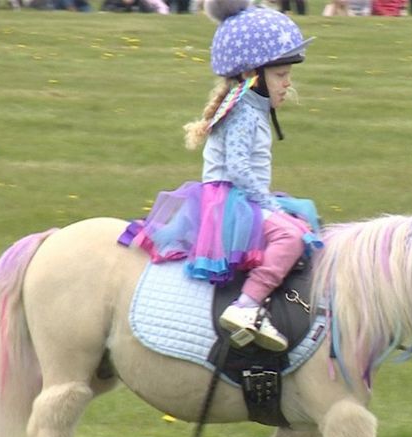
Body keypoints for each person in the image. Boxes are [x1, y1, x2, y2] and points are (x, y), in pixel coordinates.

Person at [120, 0, 321, 352]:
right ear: (253, 75)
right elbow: (240, 169)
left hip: (239, 195)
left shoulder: (248, 104)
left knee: (300, 216)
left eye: (288, 74)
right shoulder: (245, 111)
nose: (288, 83)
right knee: (289, 236)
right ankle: (248, 306)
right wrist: (268, 203)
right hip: (231, 199)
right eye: (281, 75)